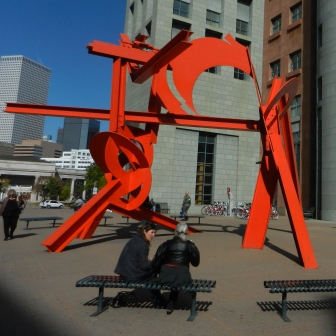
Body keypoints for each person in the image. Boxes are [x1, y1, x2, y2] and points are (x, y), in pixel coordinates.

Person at [150, 222, 200, 314]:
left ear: (175, 231)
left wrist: (155, 273)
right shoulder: (190, 245)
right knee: (178, 275)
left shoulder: (165, 244)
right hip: (183, 277)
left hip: (165, 276)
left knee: (173, 274)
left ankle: (167, 302)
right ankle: (171, 302)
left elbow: (156, 261)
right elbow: (195, 263)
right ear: (187, 232)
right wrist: (193, 250)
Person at [114, 222, 164, 307]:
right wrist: (152, 262)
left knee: (152, 277)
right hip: (131, 275)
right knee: (154, 271)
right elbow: (144, 266)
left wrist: (147, 260)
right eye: (151, 232)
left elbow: (136, 258)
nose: (153, 235)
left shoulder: (135, 239)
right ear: (145, 231)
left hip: (124, 272)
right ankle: (158, 301)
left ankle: (158, 299)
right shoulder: (143, 245)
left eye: (154, 233)